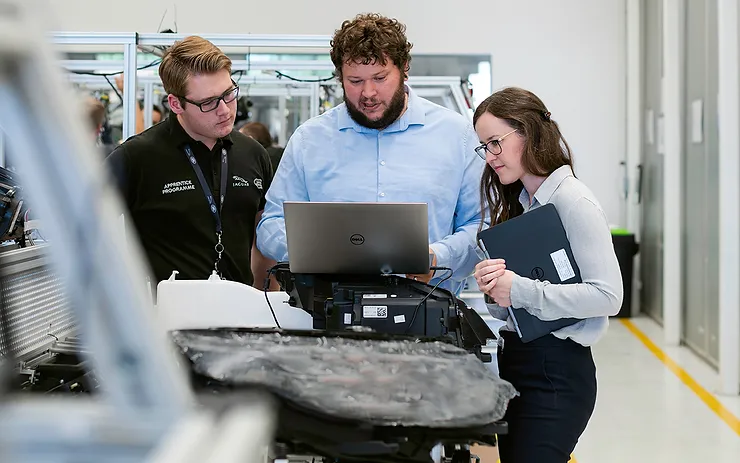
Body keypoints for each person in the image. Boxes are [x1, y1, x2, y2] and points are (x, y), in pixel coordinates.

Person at [256, 13, 486, 293]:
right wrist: (314, 252)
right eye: (355, 81)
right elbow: (271, 224)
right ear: (340, 76)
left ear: (404, 68)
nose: (368, 93)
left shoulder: (456, 134)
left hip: (428, 313)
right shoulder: (309, 139)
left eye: (380, 78)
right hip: (329, 316)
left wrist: (438, 256)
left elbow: (480, 224)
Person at [471, 87, 623, 463]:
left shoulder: (574, 202)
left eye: (495, 143)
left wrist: (519, 289)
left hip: (556, 374)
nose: (490, 157)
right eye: (483, 147)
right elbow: (516, 312)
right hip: (519, 364)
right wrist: (496, 291)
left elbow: (608, 296)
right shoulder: (523, 207)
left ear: (528, 132)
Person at [105, 35, 275, 288]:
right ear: (176, 104)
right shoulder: (136, 157)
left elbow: (265, 237)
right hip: (165, 319)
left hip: (242, 314)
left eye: (229, 94)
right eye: (208, 103)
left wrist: (267, 302)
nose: (225, 110)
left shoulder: (254, 154)